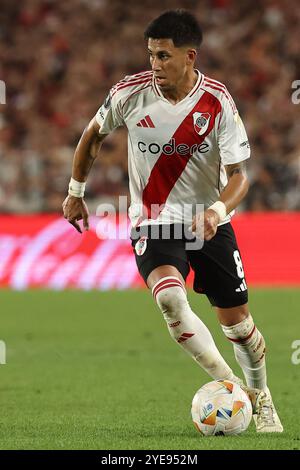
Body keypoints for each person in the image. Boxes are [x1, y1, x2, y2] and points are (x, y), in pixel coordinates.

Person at [63, 9, 283, 432]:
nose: (154, 65)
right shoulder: (128, 93)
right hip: (153, 221)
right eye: (150, 55)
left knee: (240, 327)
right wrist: (76, 192)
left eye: (163, 56)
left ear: (190, 57)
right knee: (169, 299)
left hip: (210, 222)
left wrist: (217, 212)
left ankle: (262, 393)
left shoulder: (217, 101)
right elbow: (93, 134)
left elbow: (240, 176)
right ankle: (234, 387)